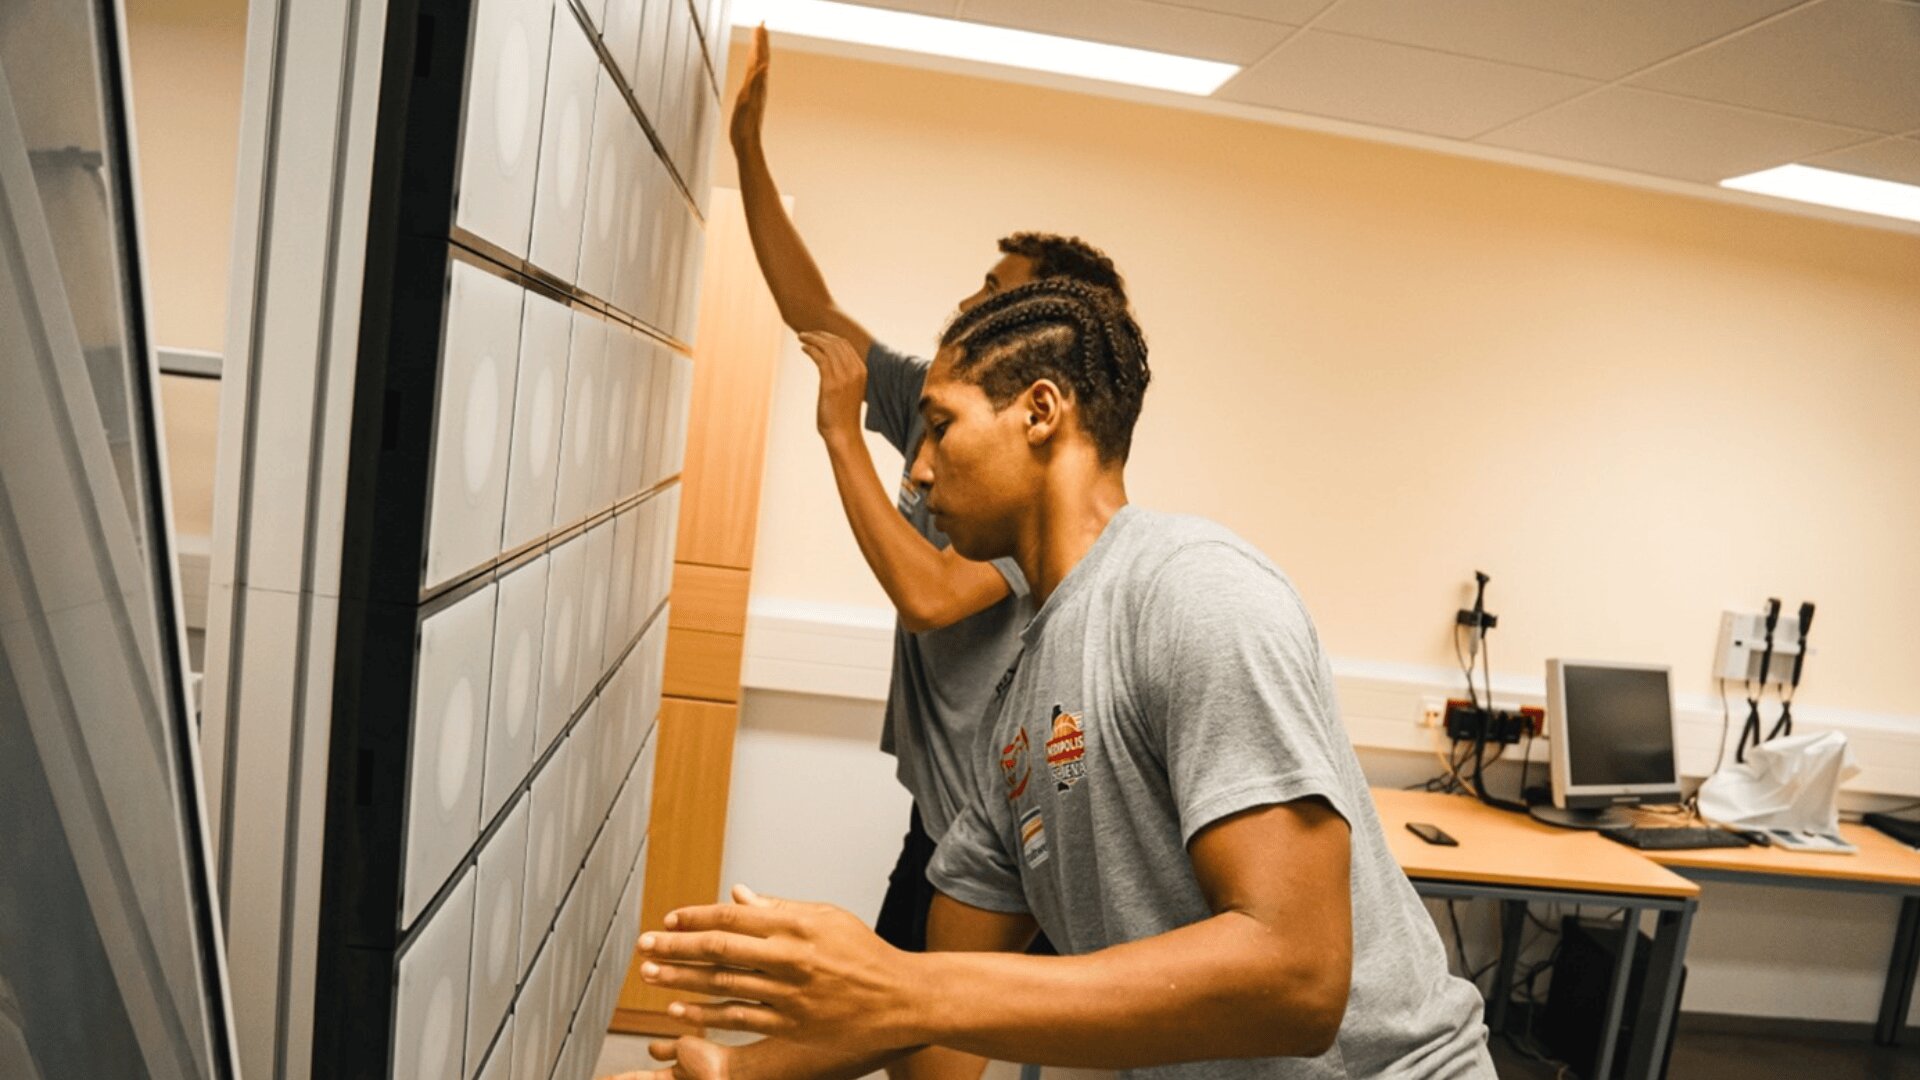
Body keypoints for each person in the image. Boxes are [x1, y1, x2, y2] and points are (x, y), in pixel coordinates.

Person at [622, 279, 1496, 1079]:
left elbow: (1298, 977)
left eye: (942, 424)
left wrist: (900, 987)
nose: (919, 471)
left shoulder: (1194, 591)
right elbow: (944, 997)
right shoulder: (1018, 710)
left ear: (1040, 412)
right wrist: (739, 1073)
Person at [729, 23, 1131, 989]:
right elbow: (813, 314)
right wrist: (747, 154)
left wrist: (837, 436)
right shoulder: (939, 406)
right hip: (946, 806)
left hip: (988, 819)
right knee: (902, 1014)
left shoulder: (1028, 475)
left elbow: (933, 595)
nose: (970, 298)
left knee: (913, 1019)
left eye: (996, 293)